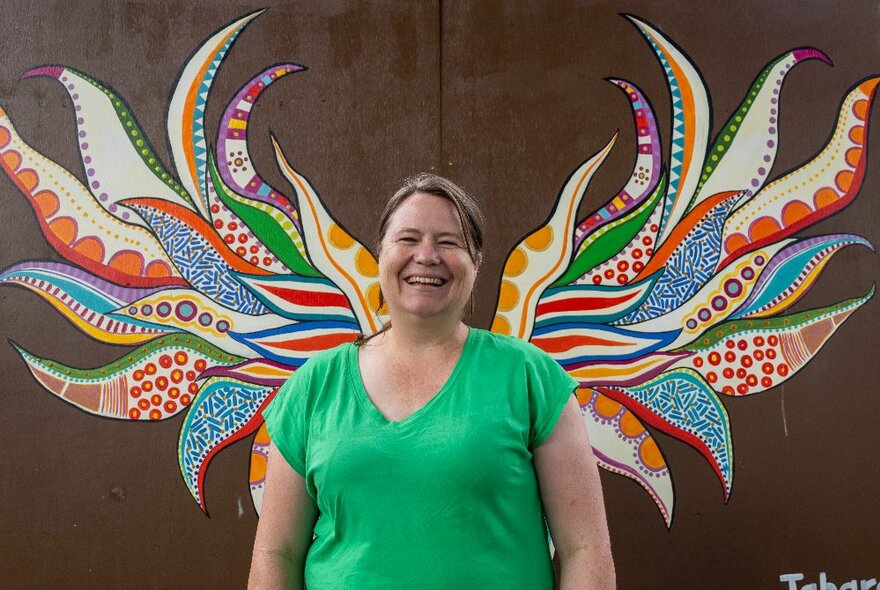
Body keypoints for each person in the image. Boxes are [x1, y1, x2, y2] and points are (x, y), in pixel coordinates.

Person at [248, 173, 615, 589]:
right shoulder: (313, 387)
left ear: (475, 263)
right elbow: (276, 554)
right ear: (380, 255)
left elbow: (586, 550)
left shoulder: (529, 378)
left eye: (448, 242)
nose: (426, 256)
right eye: (407, 239)